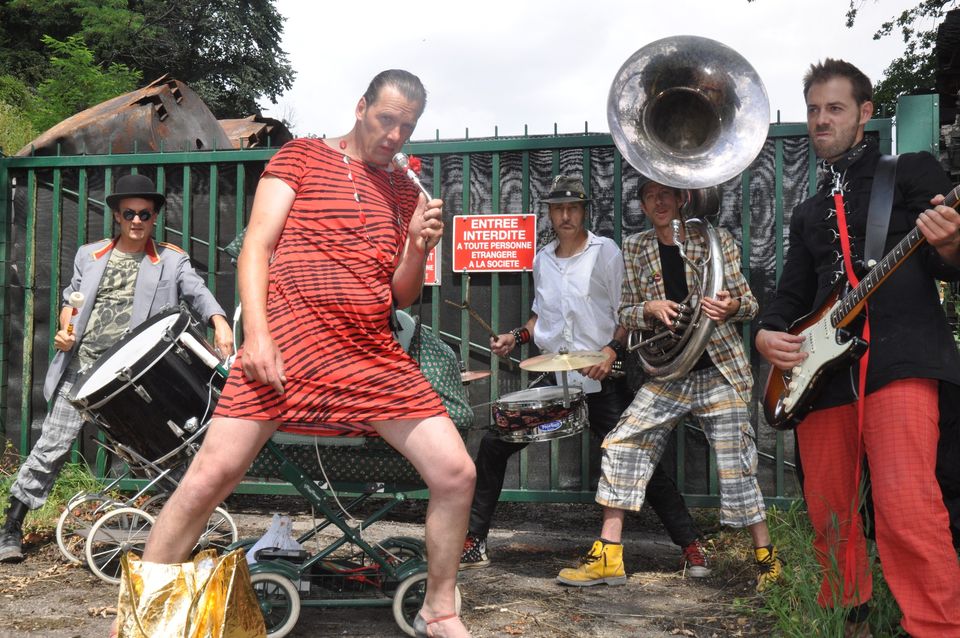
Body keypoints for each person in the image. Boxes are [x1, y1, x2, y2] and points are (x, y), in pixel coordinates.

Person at [138, 70, 475, 638]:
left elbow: (402, 294)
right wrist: (258, 337)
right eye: (386, 119)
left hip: (369, 354)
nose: (395, 135)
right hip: (288, 344)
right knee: (208, 477)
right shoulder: (301, 156)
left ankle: (439, 610)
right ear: (362, 106)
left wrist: (418, 243)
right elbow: (257, 246)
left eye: (408, 127)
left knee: (456, 473)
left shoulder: (400, 189)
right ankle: (151, 617)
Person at [755, 58, 960, 637]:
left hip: (898, 360)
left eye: (835, 108)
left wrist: (952, 245)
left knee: (907, 507)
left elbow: (953, 263)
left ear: (865, 114)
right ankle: (850, 617)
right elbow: (790, 293)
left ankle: (939, 627)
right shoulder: (807, 209)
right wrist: (767, 333)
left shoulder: (911, 171)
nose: (822, 120)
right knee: (830, 511)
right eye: (814, 110)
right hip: (821, 376)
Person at [462, 175, 710, 579]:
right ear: (549, 214)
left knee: (634, 456)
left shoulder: (606, 253)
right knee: (494, 443)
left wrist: (610, 351)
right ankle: (474, 541)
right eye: (557, 209)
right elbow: (542, 316)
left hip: (600, 381)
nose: (564, 215)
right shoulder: (542, 258)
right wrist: (516, 337)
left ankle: (691, 546)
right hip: (554, 379)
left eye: (572, 208)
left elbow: (627, 311)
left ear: (583, 211)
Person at [557, 178, 783, 591]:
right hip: (669, 373)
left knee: (736, 464)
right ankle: (608, 555)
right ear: (642, 205)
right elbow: (626, 310)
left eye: (665, 194)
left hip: (718, 371)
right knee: (622, 442)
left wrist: (730, 305)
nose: (657, 202)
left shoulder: (715, 239)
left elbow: (749, 302)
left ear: (682, 199)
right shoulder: (637, 247)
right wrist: (650, 307)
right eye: (649, 196)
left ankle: (766, 559)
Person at [0, 173, 233, 563]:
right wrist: (63, 331)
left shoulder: (171, 261)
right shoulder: (89, 256)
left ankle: (196, 526)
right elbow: (71, 304)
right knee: (50, 447)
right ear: (116, 216)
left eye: (145, 213)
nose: (137, 220)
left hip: (133, 378)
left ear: (155, 217)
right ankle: (11, 526)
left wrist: (220, 321)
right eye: (129, 213)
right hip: (82, 372)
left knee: (155, 454)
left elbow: (197, 291)